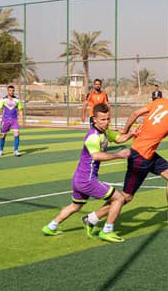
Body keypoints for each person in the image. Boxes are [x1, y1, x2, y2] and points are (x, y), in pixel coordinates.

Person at [113, 83, 168, 232]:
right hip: (141, 155)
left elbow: (135, 113)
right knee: (126, 197)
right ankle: (92, 218)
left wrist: (125, 131)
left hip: (146, 151)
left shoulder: (160, 101)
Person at [42, 103, 136, 242]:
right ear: (95, 119)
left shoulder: (104, 132)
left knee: (75, 206)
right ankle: (107, 231)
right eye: (103, 119)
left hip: (79, 178)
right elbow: (96, 156)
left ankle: (50, 227)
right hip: (87, 180)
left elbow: (118, 138)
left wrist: (132, 134)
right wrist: (119, 155)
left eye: (108, 119)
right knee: (119, 198)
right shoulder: (93, 136)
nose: (106, 122)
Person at [0, 85, 24, 156]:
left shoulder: (17, 100)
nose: (12, 92)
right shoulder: (3, 100)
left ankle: (16, 151)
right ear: (7, 91)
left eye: (13, 90)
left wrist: (22, 121)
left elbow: (20, 111)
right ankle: (1, 151)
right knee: (3, 135)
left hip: (14, 119)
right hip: (5, 119)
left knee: (17, 134)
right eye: (10, 90)